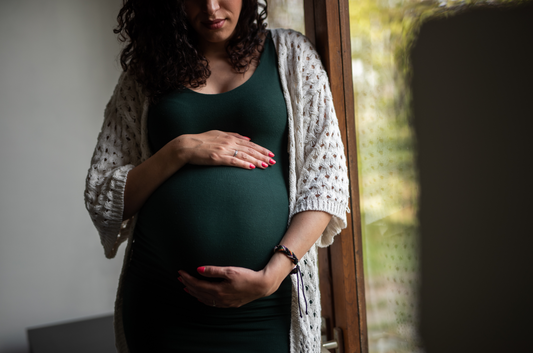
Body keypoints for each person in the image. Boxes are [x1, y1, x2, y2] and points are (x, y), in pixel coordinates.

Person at [84, 0, 350, 352]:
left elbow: (326, 182)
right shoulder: (146, 73)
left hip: (266, 307)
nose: (211, 8)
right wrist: (180, 149)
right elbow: (104, 194)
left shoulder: (291, 54)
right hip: (163, 309)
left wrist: (272, 276)